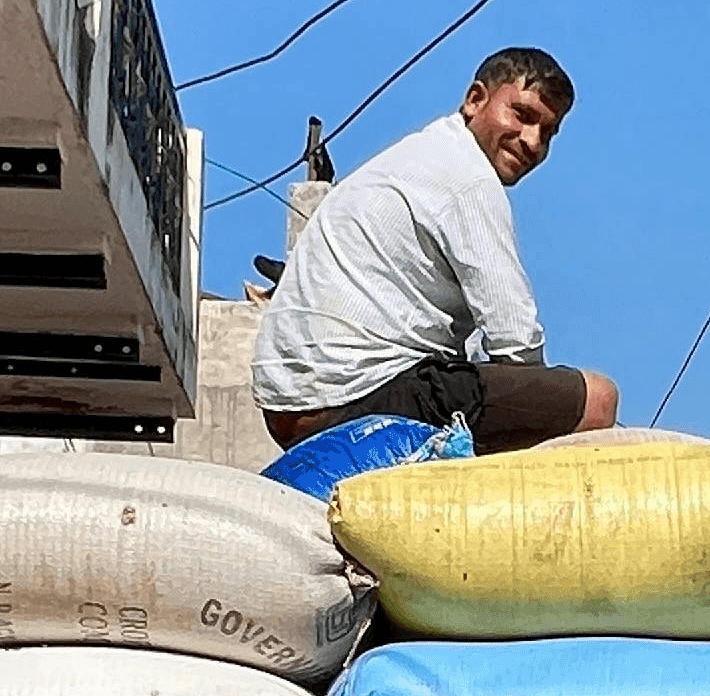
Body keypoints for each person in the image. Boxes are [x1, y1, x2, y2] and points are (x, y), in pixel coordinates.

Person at [251, 46, 619, 454]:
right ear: (475, 99)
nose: (532, 141)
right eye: (522, 115)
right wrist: (539, 407)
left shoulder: (423, 154)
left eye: (547, 133)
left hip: (292, 403)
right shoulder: (467, 178)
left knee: (487, 395)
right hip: (353, 394)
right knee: (597, 400)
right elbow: (515, 344)